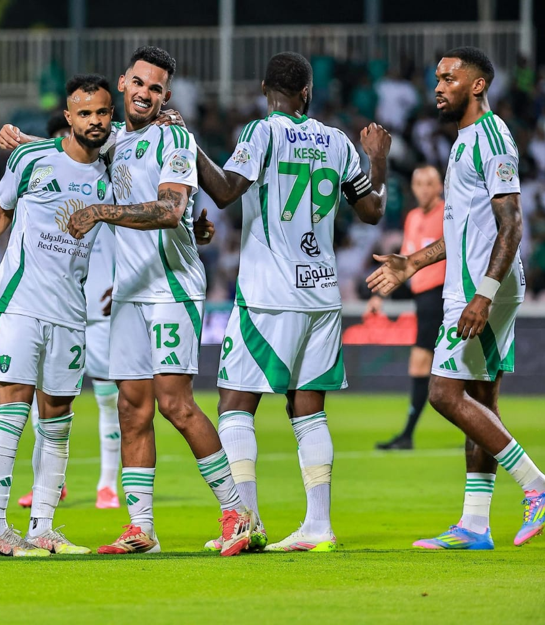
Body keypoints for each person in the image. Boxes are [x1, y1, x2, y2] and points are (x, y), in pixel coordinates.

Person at [3, 46, 253, 557]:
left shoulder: (174, 138)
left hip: (171, 288)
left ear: (166, 97)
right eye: (139, 83)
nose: (145, 93)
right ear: (123, 83)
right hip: (129, 292)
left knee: (175, 403)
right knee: (131, 409)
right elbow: (74, 146)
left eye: (156, 88)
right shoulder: (115, 139)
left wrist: (102, 211)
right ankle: (142, 528)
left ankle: (239, 513)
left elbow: (170, 209)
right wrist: (23, 140)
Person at [187, 51, 391, 552]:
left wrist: (187, 144)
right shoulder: (338, 141)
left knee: (235, 404)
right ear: (307, 92)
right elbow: (372, 211)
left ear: (264, 89)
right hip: (321, 294)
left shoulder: (262, 133)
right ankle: (318, 524)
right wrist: (378, 159)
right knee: (308, 411)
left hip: (269, 296)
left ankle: (246, 521)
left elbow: (225, 191)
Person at [368, 46, 545, 550]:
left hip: (479, 285)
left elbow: (512, 224)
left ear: (478, 85)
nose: (439, 87)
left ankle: (536, 485)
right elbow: (464, 227)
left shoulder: (491, 137)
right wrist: (412, 263)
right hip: (475, 282)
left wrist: (483, 295)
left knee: (444, 394)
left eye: (449, 78)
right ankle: (474, 524)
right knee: (481, 401)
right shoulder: (465, 140)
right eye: (437, 79)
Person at [0, 74, 116, 557]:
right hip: (20, 304)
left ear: (111, 116)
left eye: (102, 112)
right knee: (13, 411)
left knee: (57, 421)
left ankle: (42, 528)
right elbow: (1, 211)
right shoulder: (31, 158)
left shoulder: (114, 172)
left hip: (72, 313)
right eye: (85, 113)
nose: (94, 121)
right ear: (68, 116)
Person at [16, 112, 121, 511]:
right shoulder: (43, 191)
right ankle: (50, 482)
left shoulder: (108, 184)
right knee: (43, 400)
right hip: (54, 307)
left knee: (108, 399)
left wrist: (121, 282)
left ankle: (107, 484)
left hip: (100, 309)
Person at [370, 165, 446, 450]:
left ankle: (407, 435)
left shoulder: (448, 214)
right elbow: (404, 262)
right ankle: (474, 434)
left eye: (429, 183)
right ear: (412, 188)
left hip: (441, 296)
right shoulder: (413, 217)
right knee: (450, 367)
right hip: (422, 298)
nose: (424, 189)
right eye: (418, 183)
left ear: (439, 187)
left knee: (421, 362)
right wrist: (381, 296)